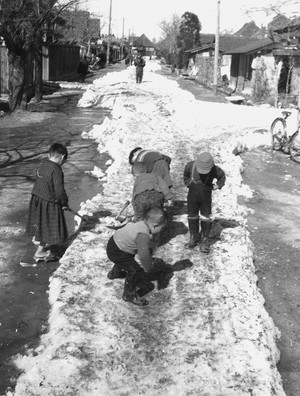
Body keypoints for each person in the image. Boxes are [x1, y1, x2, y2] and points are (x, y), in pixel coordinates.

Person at [106, 207, 168, 306]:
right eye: (162, 228)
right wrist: (148, 268)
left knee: (126, 260)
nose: (162, 230)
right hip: (118, 251)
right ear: (155, 226)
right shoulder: (143, 235)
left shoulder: (142, 224)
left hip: (114, 244)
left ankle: (115, 273)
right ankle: (129, 295)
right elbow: (143, 255)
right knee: (135, 270)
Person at [26, 143, 69, 262]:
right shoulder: (56, 170)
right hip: (49, 202)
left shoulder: (43, 166)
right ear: (62, 156)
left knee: (41, 223)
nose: (63, 163)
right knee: (48, 226)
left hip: (37, 199)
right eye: (64, 160)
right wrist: (64, 202)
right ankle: (39, 252)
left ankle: (37, 238)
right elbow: (59, 191)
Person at [183, 152, 226, 253]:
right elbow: (185, 176)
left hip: (206, 196)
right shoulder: (190, 166)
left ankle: (204, 241)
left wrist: (218, 185)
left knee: (206, 216)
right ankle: (193, 238)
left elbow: (222, 177)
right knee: (192, 215)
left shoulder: (215, 170)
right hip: (192, 195)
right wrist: (188, 183)